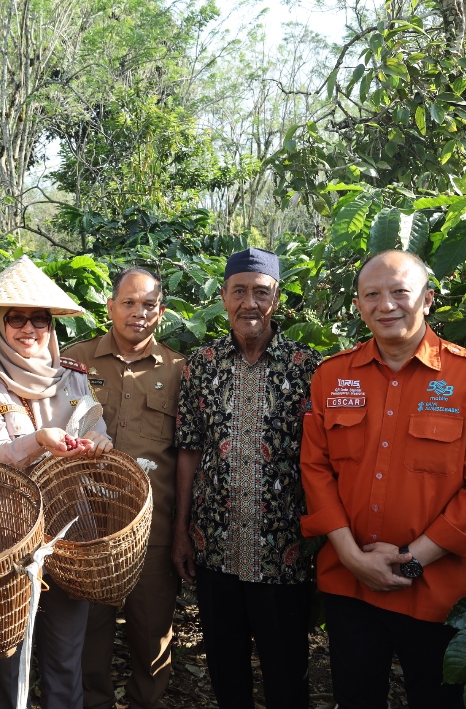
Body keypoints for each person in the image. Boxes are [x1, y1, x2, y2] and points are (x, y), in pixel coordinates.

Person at [300, 249, 466, 709]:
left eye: (400, 292)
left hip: (441, 593)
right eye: (372, 295)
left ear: (428, 298)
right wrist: (351, 555)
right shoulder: (331, 376)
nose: (386, 305)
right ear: (358, 305)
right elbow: (316, 469)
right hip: (350, 585)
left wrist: (413, 559)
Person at [0, 255, 114, 709]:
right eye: (16, 319)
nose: (30, 329)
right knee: (9, 655)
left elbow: (94, 428)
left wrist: (99, 447)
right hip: (2, 531)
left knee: (67, 653)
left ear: (51, 325)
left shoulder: (74, 376)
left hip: (68, 528)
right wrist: (39, 442)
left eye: (39, 319)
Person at [172, 248, 322, 709]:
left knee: (286, 671)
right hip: (216, 547)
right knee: (226, 668)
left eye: (261, 292)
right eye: (240, 292)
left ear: (276, 299)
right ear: (223, 297)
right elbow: (189, 450)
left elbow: (325, 460)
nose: (250, 303)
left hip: (283, 552)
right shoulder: (202, 365)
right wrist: (181, 530)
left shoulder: (308, 367)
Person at [61, 267, 184, 709]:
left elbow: (187, 454)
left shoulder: (178, 370)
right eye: (128, 303)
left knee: (152, 634)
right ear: (110, 306)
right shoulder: (74, 361)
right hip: (86, 530)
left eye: (149, 304)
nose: (138, 313)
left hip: (152, 528)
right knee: (88, 635)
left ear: (161, 312)